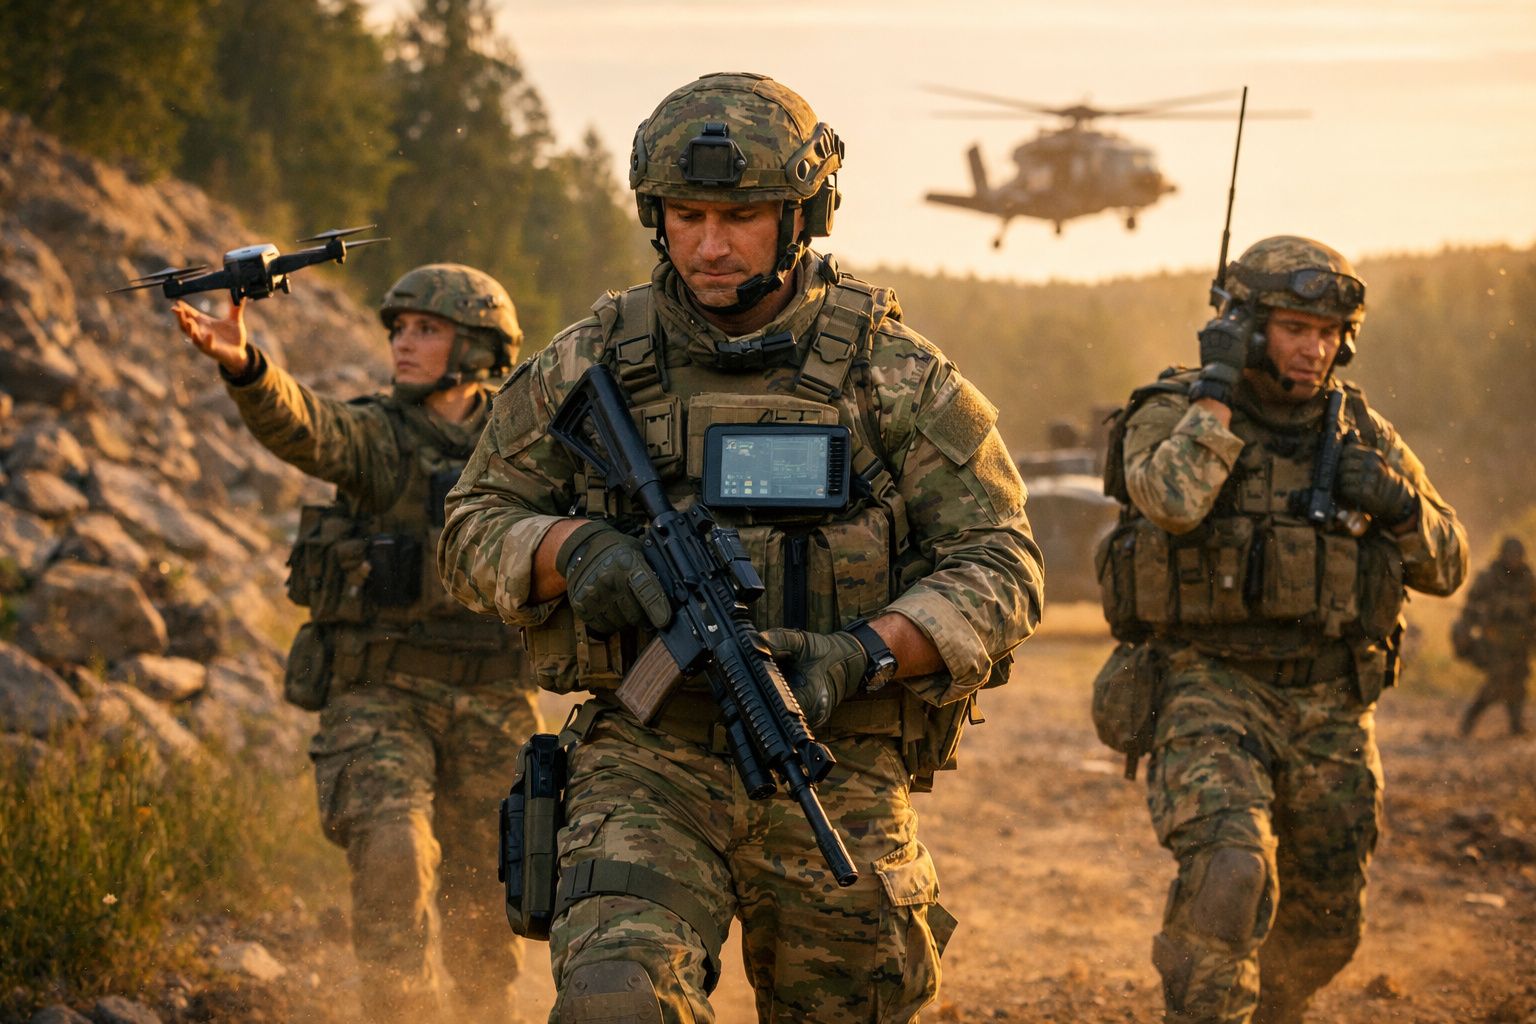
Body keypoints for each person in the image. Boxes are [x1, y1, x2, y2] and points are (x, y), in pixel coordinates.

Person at [437, 72, 1044, 1023]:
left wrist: (864, 653)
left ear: (803, 216)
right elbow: (471, 523)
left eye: (743, 216)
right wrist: (573, 549)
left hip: (827, 759)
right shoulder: (590, 360)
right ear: (655, 215)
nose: (710, 245)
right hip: (647, 755)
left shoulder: (894, 374)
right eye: (686, 215)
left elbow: (1003, 564)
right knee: (613, 1004)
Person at [1097, 236, 1467, 1024]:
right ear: (1244, 323)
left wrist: (1400, 505)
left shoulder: (1362, 430)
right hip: (1211, 686)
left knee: (1327, 924)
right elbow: (1170, 499)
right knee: (1231, 874)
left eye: (1331, 333)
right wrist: (1219, 391)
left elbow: (1449, 565)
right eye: (1297, 327)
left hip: (1333, 702)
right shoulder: (1174, 408)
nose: (1316, 348)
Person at [172, 264, 543, 1022]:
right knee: (393, 853)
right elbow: (309, 426)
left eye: (426, 330)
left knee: (488, 890)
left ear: (477, 347)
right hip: (381, 692)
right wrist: (245, 366)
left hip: (494, 697)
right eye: (398, 330)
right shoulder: (379, 435)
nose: (403, 345)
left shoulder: (525, 444)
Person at [1455, 536, 1535, 737]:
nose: (1513, 559)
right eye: (1510, 555)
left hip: (1520, 641)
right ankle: (1470, 718)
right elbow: (1471, 607)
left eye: (1517, 555)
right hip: (1495, 639)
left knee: (1518, 682)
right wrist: (1465, 630)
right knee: (1496, 683)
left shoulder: (1529, 580)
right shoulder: (1489, 578)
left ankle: (1516, 725)